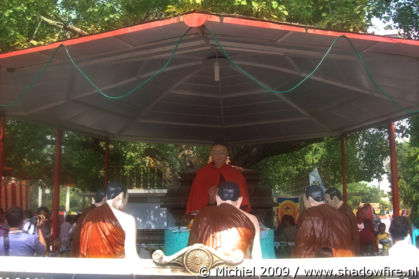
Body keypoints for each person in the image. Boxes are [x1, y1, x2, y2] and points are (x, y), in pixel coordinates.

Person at [188, 181, 261, 259]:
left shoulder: (202, 215)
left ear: (217, 198)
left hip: (207, 267)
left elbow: (190, 250)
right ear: (240, 200)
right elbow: (256, 255)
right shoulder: (252, 219)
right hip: (238, 268)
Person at [78, 182, 139, 259]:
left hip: (91, 268)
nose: (126, 202)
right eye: (127, 198)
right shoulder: (128, 220)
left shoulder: (88, 217)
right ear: (120, 197)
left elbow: (82, 250)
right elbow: (131, 255)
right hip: (115, 269)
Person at [186, 144, 251, 215]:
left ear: (227, 155)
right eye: (215, 152)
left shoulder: (236, 173)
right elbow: (196, 202)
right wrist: (210, 200)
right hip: (207, 213)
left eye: (222, 152)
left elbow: (243, 202)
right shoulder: (202, 173)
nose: (218, 155)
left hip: (231, 213)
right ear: (211, 154)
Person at [293, 185, 355, 258]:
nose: (305, 205)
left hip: (319, 267)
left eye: (304, 202)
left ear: (309, 199)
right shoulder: (342, 216)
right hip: (341, 265)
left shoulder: (308, 216)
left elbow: (302, 251)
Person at [71, 187, 106, 257]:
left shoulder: (87, 211)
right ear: (105, 199)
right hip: (88, 251)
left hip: (80, 249)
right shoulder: (96, 213)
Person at [325, 187, 360, 254]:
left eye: (327, 201)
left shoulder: (341, 214)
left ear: (335, 199)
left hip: (344, 253)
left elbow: (340, 239)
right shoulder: (345, 210)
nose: (325, 204)